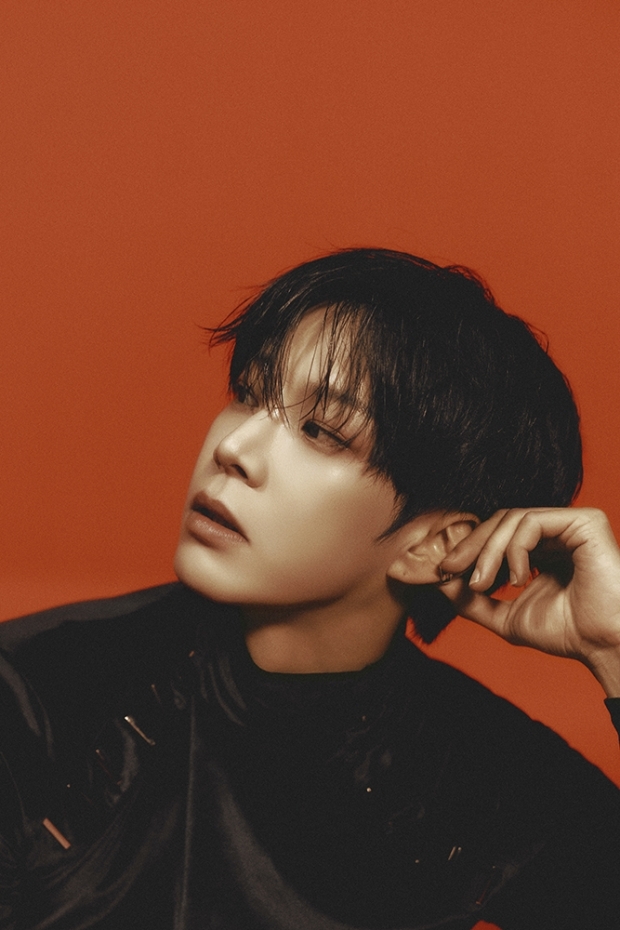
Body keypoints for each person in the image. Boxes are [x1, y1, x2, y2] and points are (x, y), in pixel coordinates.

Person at [1, 248, 619, 929]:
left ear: (434, 546)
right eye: (249, 393)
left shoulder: (479, 775)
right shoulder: (37, 691)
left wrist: (615, 650)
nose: (234, 448)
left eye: (320, 431)